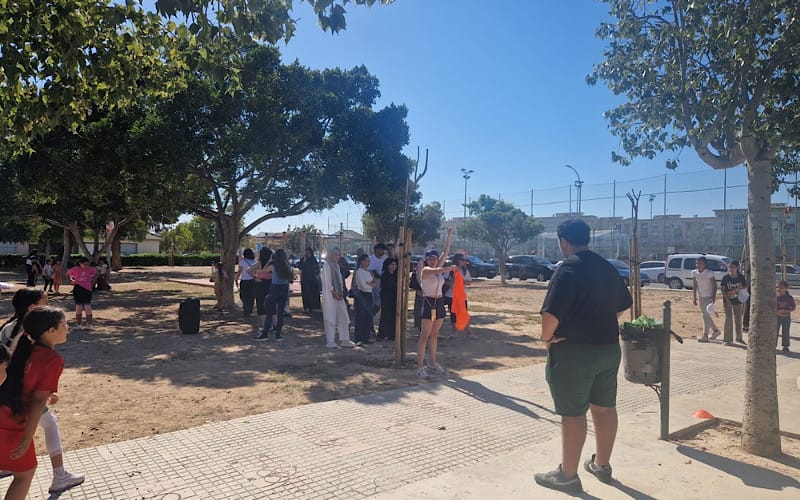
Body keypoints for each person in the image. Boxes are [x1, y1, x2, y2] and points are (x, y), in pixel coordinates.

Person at [535, 219, 632, 494]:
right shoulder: (605, 265)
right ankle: (602, 465)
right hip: (608, 349)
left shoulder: (567, 267)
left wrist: (546, 339)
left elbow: (550, 314)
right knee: (604, 407)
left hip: (574, 353)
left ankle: (567, 475)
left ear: (563, 241)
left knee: (573, 413)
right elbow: (623, 304)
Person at [0, 290, 85, 494]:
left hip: (5, 409)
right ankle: (60, 475)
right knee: (25, 474)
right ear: (50, 331)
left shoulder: (25, 346)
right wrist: (27, 437)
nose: (68, 327)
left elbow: (23, 381)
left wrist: (46, 393)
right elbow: (37, 401)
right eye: (64, 324)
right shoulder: (52, 360)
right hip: (15, 420)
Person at [416, 228, 453, 380]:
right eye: (430, 258)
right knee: (424, 335)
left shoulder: (438, 267)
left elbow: (445, 252)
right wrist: (449, 268)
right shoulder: (425, 270)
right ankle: (420, 366)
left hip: (439, 302)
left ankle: (433, 362)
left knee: (435, 334)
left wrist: (449, 236)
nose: (432, 260)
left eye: (434, 258)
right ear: (426, 259)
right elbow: (436, 271)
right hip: (428, 301)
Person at [320, 248, 356, 348]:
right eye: (336, 255)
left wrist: (340, 293)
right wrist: (334, 293)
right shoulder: (327, 265)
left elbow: (340, 281)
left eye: (339, 255)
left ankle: (345, 339)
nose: (337, 257)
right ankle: (330, 341)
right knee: (330, 317)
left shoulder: (336, 265)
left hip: (339, 296)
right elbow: (327, 282)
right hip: (330, 296)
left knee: (343, 316)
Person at [256, 249, 292, 341]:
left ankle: (265, 334)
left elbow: (263, 271)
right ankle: (278, 334)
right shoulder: (287, 265)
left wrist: (269, 261)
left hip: (274, 288)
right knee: (280, 313)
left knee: (270, 312)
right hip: (284, 289)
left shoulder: (273, 265)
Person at [692, 256, 721, 342]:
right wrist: (694, 297)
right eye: (697, 263)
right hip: (701, 296)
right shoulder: (694, 273)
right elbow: (694, 285)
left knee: (705, 315)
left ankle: (705, 335)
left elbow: (714, 286)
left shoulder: (709, 273)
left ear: (704, 264)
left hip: (708, 296)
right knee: (706, 315)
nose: (698, 265)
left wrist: (713, 298)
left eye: (700, 263)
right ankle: (715, 331)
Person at [444, 253, 474, 338]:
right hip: (451, 295)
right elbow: (444, 280)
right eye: (462, 260)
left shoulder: (465, 271)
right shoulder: (450, 270)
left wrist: (463, 281)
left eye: (464, 260)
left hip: (461, 296)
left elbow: (469, 282)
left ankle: (469, 332)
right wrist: (450, 283)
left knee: (463, 314)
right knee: (453, 314)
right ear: (457, 260)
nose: (464, 262)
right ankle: (455, 332)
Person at [66, 257, 98, 331]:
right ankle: (79, 324)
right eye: (84, 264)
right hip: (78, 288)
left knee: (87, 306)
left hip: (87, 289)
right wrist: (71, 281)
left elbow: (96, 274)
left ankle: (89, 324)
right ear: (80, 263)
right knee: (79, 306)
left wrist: (93, 283)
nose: (86, 266)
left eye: (87, 264)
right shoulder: (75, 269)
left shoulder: (90, 269)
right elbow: (67, 274)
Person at [720, 260, 748, 345]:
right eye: (729, 267)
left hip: (738, 300)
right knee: (728, 319)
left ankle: (739, 337)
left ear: (737, 268)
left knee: (738, 318)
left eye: (733, 267)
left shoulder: (740, 277)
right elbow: (723, 290)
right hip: (727, 300)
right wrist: (728, 300)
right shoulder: (726, 277)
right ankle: (727, 339)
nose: (731, 269)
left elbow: (745, 285)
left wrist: (741, 287)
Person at [353, 254, 376, 345]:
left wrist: (370, 284)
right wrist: (370, 284)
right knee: (361, 317)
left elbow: (374, 282)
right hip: (362, 295)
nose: (368, 263)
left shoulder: (368, 272)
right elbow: (363, 286)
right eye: (367, 261)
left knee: (368, 317)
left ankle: (366, 337)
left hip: (369, 295)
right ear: (362, 261)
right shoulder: (359, 272)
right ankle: (359, 338)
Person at [249, 248, 274, 330]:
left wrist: (255, 277)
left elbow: (249, 270)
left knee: (261, 303)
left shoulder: (259, 263)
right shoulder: (272, 264)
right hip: (270, 284)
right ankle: (272, 324)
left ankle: (264, 325)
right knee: (271, 304)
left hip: (260, 283)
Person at [378, 257, 399, 341]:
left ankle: (392, 333)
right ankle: (383, 333)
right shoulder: (385, 275)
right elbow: (389, 286)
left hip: (394, 298)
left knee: (393, 316)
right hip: (387, 298)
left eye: (395, 265)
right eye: (392, 264)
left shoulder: (396, 275)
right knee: (386, 315)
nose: (393, 266)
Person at [235, 249, 257, 317]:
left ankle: (246, 308)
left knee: (243, 295)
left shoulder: (243, 261)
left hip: (244, 280)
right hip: (253, 280)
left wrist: (236, 278)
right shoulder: (254, 261)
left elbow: (239, 271)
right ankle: (250, 309)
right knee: (251, 295)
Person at [298, 247, 321, 312]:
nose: (307, 254)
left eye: (308, 252)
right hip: (305, 279)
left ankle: (313, 306)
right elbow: (300, 267)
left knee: (313, 293)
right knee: (305, 293)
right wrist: (304, 261)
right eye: (306, 252)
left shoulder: (313, 259)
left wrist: (316, 274)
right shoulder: (303, 259)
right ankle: (306, 307)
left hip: (312, 279)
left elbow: (317, 268)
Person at [777, 279, 795, 354]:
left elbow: (793, 307)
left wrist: (786, 311)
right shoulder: (775, 297)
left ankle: (785, 346)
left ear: (786, 288)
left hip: (786, 317)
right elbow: (772, 307)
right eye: (778, 287)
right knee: (775, 331)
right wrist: (778, 312)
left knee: (786, 331)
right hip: (777, 316)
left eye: (781, 287)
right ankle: (773, 346)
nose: (779, 289)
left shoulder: (789, 298)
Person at [741, 259, 751, 332]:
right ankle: (746, 325)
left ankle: (746, 325)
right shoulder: (749, 271)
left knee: (747, 308)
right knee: (747, 308)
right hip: (750, 290)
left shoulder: (748, 271)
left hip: (749, 289)